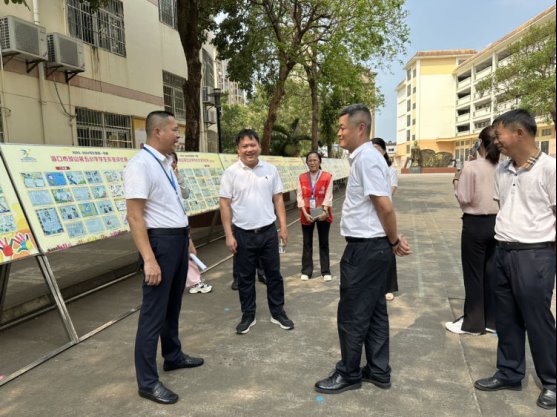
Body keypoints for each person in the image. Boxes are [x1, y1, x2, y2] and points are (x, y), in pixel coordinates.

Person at [314, 104, 411, 395]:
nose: (339, 133)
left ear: (360, 128)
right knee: (375, 312)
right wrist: (390, 241)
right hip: (372, 247)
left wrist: (393, 241)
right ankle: (379, 371)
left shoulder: (367, 158)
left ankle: (349, 372)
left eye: (343, 127)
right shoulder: (365, 158)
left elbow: (385, 206)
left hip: (366, 249)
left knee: (353, 314)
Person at [473, 109, 556, 411]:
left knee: (537, 319)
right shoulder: (503, 169)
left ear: (519, 133)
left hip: (535, 254)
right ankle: (509, 372)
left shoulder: (550, 169)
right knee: (506, 318)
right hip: (503, 250)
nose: (497, 141)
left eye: (500, 134)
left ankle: (552, 381)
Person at [124, 111, 203, 405]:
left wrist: (188, 239)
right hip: (159, 244)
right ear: (158, 132)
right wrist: (149, 259)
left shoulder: (166, 163)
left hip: (177, 240)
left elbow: (173, 205)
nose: (178, 135)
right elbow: (135, 216)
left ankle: (173, 355)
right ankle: (147, 381)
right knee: (153, 313)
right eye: (174, 130)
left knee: (173, 305)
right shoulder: (140, 165)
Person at [219, 129, 294, 335]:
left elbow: (278, 199)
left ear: (259, 147)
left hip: (268, 232)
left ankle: (278, 312)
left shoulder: (270, 169)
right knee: (245, 278)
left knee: (274, 275)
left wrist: (283, 227)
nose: (249, 149)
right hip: (243, 234)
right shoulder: (231, 173)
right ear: (238, 149)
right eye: (244, 146)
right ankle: (248, 315)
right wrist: (229, 234)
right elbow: (224, 204)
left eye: (252, 145)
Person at [445, 126, 499, 335]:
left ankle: (473, 322)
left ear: (480, 143)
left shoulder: (471, 167)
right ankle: (491, 320)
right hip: (496, 222)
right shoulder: (502, 167)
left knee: (473, 274)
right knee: (491, 273)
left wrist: (456, 182)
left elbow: (464, 198)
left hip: (475, 224)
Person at [170, 152, 212, 294]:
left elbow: (186, 194)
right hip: (167, 226)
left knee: (187, 252)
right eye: (169, 161)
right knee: (184, 253)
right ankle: (194, 282)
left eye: (174, 162)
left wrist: (177, 179)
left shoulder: (177, 177)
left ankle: (194, 281)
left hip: (180, 222)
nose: (172, 164)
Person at [296, 151, 333, 281]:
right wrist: (305, 213)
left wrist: (324, 211)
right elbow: (299, 196)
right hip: (306, 214)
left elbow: (328, 195)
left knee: (324, 242)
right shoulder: (301, 177)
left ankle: (325, 271)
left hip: (323, 213)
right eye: (310, 160)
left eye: (315, 160)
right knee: (307, 243)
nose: (312, 162)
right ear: (306, 162)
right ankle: (306, 271)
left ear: (320, 161)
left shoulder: (327, 176)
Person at [372, 137, 398, 301]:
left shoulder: (390, 169)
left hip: (385, 212)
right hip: (371, 215)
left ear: (383, 150)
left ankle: (388, 287)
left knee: (389, 249)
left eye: (377, 148)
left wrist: (382, 202)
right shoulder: (369, 167)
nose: (374, 151)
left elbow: (392, 190)